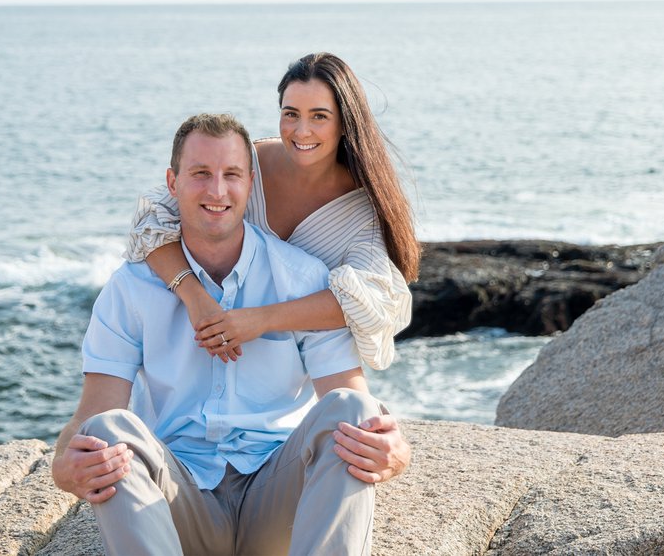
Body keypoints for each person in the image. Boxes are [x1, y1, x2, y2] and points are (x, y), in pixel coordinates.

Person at [52, 114, 410, 556]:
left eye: (231, 175)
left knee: (354, 410)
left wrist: (394, 448)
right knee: (106, 430)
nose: (217, 191)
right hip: (177, 502)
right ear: (172, 182)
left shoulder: (301, 279)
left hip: (277, 502)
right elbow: (91, 414)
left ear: (250, 182)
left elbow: (349, 400)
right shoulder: (130, 288)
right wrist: (64, 466)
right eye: (200, 174)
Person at [127, 52, 419, 373]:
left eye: (319, 116)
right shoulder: (241, 167)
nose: (301, 131)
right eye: (291, 114)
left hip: (287, 372)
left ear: (345, 123)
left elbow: (373, 303)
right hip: (199, 344)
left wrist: (260, 320)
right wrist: (195, 298)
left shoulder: (361, 212)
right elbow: (151, 220)